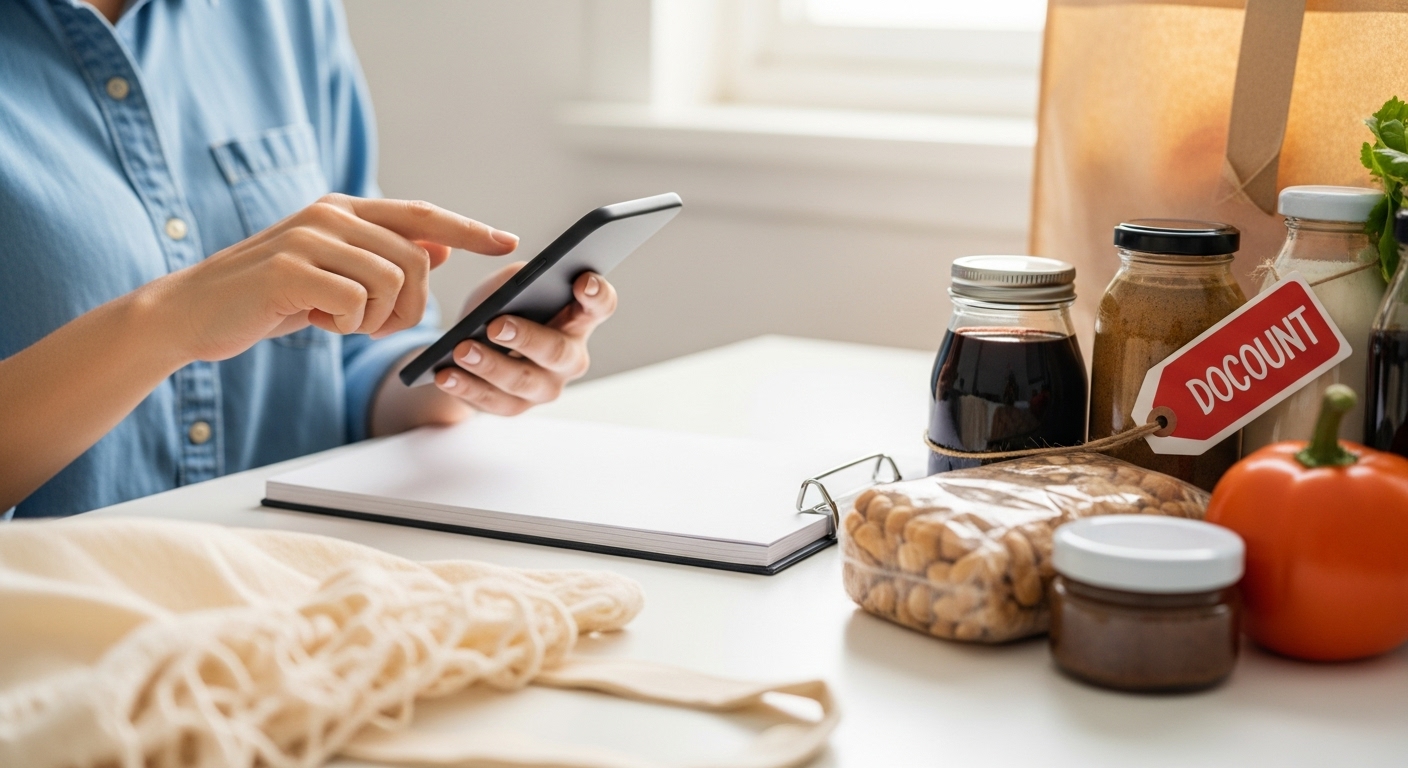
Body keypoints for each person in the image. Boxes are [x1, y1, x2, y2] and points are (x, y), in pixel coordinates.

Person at [0, 0, 618, 518]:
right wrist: (172, 321)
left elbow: (347, 362)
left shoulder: (286, 12)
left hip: (299, 584)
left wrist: (457, 369)